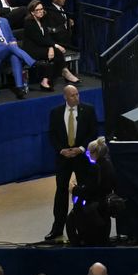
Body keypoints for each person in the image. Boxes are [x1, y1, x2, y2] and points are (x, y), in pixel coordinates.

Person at [46, 86, 99, 244]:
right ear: (65, 97)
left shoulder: (88, 110)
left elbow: (93, 132)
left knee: (83, 191)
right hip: (64, 159)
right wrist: (62, 150)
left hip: (81, 157)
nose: (76, 97)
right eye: (72, 95)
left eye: (77, 94)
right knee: (61, 192)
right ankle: (57, 229)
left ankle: (84, 225)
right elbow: (52, 135)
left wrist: (81, 149)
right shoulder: (55, 113)